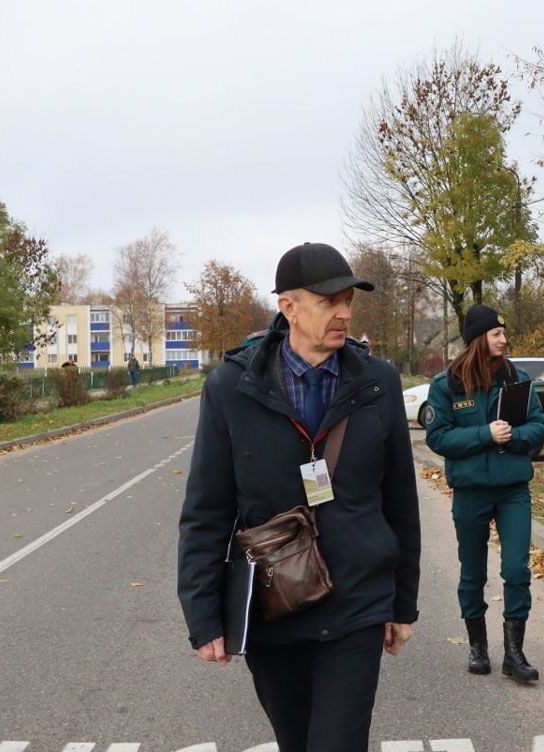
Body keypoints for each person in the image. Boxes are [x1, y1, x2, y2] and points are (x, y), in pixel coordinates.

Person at [177, 242, 421, 752]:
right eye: (329, 301)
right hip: (275, 605)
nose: (344, 313)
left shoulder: (378, 383)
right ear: (288, 308)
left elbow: (400, 500)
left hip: (358, 602)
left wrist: (403, 602)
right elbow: (207, 509)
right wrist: (203, 615)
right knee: (296, 742)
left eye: (348, 300)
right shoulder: (231, 389)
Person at [425, 304, 544, 683]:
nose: (504, 339)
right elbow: (437, 437)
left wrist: (512, 440)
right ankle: (478, 646)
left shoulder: (517, 379)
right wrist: (484, 434)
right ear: (479, 338)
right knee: (472, 573)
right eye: (497, 333)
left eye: (504, 333)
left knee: (516, 569)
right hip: (471, 492)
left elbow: (539, 426)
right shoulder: (447, 384)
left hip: (513, 490)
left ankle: (514, 653)